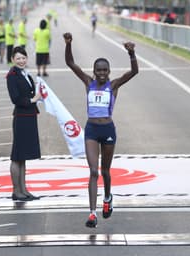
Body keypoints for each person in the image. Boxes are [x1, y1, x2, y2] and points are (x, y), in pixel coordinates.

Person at [63, 32, 138, 227]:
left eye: (105, 70)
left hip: (108, 130)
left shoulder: (114, 85)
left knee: (105, 171)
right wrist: (69, 44)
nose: (102, 73)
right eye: (99, 70)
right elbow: (71, 63)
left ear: (109, 71)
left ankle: (107, 198)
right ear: (94, 71)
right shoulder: (89, 83)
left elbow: (134, 72)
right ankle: (92, 214)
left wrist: (131, 54)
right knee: (94, 171)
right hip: (91, 130)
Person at [6, 46, 42, 201]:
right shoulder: (12, 75)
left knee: (24, 156)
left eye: (23, 58)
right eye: (18, 58)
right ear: (12, 59)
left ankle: (24, 190)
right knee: (17, 156)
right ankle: (16, 191)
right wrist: (32, 100)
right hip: (21, 118)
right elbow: (15, 98)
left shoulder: (25, 73)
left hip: (29, 116)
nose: (21, 61)